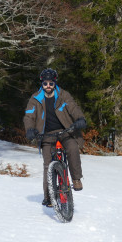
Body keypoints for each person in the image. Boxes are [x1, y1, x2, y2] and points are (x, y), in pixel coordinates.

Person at [23, 68, 87, 207]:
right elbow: (29, 115)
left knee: (72, 148)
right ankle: (48, 197)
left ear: (54, 83)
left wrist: (80, 118)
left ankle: (76, 179)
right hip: (45, 134)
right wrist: (30, 130)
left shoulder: (63, 95)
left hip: (65, 131)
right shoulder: (35, 99)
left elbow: (73, 108)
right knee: (48, 164)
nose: (48, 86)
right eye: (45, 83)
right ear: (42, 83)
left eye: (51, 83)